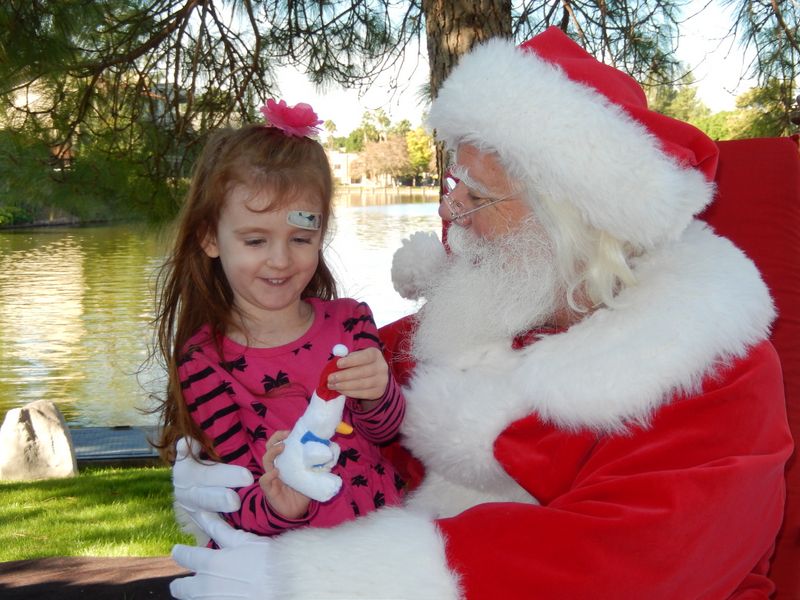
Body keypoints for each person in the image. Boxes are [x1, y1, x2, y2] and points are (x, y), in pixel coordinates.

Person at [167, 28, 793, 599]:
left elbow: (640, 562)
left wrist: (332, 579)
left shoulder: (712, 366)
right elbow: (333, 411)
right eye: (450, 183)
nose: (450, 212)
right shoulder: (483, 312)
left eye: (478, 194)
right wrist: (236, 482)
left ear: (571, 219)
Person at [154, 98, 406, 541]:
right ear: (210, 237)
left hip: (380, 552)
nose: (280, 260)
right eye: (255, 240)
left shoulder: (351, 321)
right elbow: (230, 500)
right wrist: (280, 505)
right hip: (278, 568)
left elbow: (385, 432)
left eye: (301, 238)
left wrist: (378, 391)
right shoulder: (203, 360)